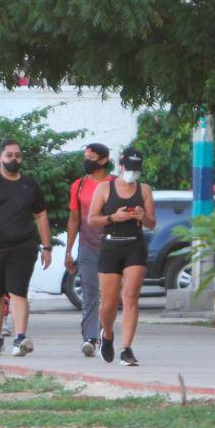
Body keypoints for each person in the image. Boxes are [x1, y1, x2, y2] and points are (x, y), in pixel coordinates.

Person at [0, 140, 53, 356]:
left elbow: (41, 215)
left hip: (24, 246)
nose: (14, 159)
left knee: (18, 290)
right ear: (1, 157)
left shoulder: (29, 185)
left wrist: (46, 246)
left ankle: (20, 337)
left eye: (18, 155)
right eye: (9, 155)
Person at [87, 147, 155, 366]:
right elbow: (92, 219)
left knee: (130, 296)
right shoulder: (104, 188)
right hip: (110, 246)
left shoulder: (144, 189)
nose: (132, 173)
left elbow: (152, 224)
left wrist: (143, 216)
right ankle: (107, 335)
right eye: (128, 168)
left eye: (136, 169)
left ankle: (126, 348)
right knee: (108, 303)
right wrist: (113, 217)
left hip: (135, 245)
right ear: (120, 166)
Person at [65, 143, 114, 357]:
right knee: (89, 291)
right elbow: (74, 218)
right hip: (87, 246)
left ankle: (106, 334)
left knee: (111, 295)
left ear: (103, 160)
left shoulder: (115, 184)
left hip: (113, 245)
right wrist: (68, 250)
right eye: (85, 156)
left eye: (91, 157)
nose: (86, 160)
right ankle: (90, 338)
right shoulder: (79, 184)